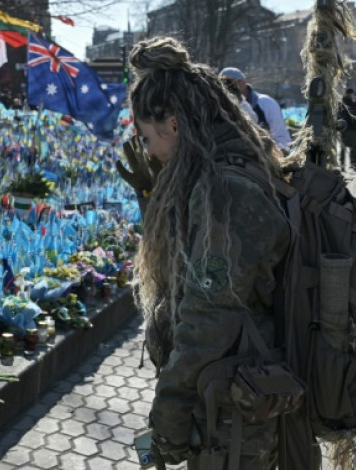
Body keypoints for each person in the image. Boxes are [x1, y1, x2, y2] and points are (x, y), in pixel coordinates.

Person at [117, 37, 319, 468]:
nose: (148, 149)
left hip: (239, 411)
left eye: (147, 136)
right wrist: (153, 195)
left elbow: (210, 314)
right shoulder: (226, 166)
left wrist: (168, 411)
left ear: (173, 125)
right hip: (236, 392)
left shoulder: (224, 190)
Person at [219, 67, 292, 153]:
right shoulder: (221, 107)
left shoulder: (265, 103)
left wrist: (279, 155)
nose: (227, 88)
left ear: (243, 82)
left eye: (230, 84)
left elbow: (281, 135)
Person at [338, 88, 356, 172]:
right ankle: (353, 164)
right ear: (350, 94)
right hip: (351, 129)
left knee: (343, 148)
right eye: (353, 94)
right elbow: (355, 117)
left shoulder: (341, 103)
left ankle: (342, 165)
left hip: (342, 128)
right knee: (354, 148)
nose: (354, 96)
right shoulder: (351, 104)